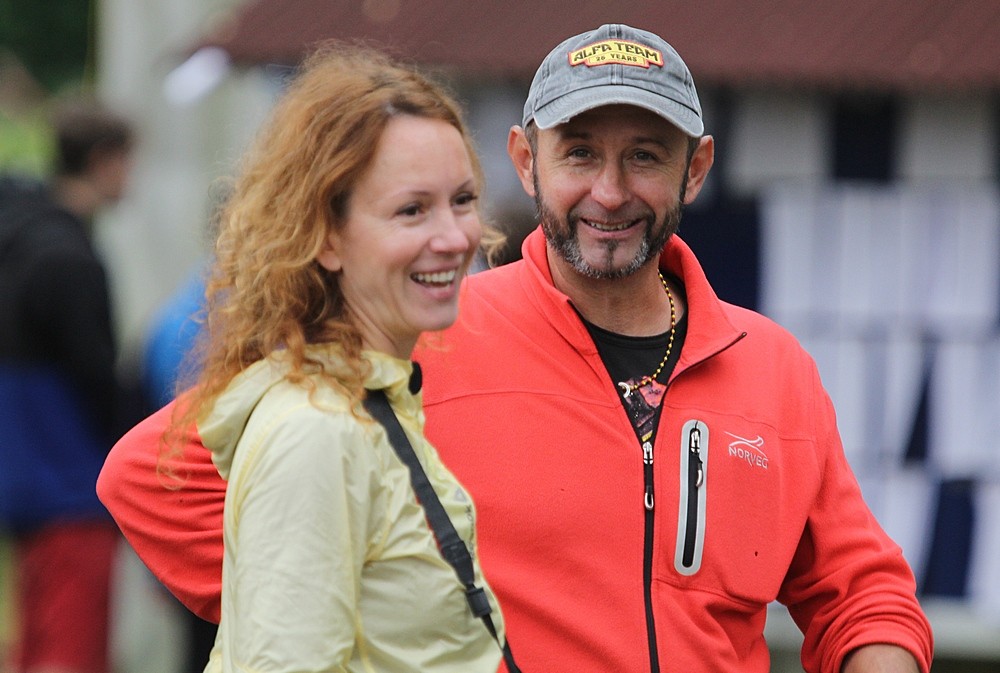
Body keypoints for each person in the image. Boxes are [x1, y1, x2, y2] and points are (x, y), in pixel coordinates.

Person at [98, 24, 934, 673]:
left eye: (645, 156)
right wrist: (376, 618)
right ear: (526, 161)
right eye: (580, 153)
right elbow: (150, 479)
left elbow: (864, 596)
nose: (610, 191)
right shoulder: (421, 334)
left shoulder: (774, 368)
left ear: (696, 168)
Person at [109, 43, 511, 673]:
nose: (455, 236)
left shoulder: (367, 400)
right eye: (412, 209)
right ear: (325, 237)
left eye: (462, 200)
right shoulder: (318, 432)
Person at [0, 99, 134, 673]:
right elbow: (96, 378)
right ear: (104, 160)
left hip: (23, 480)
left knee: (34, 646)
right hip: (72, 487)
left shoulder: (19, 237)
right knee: (71, 655)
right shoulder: (69, 259)